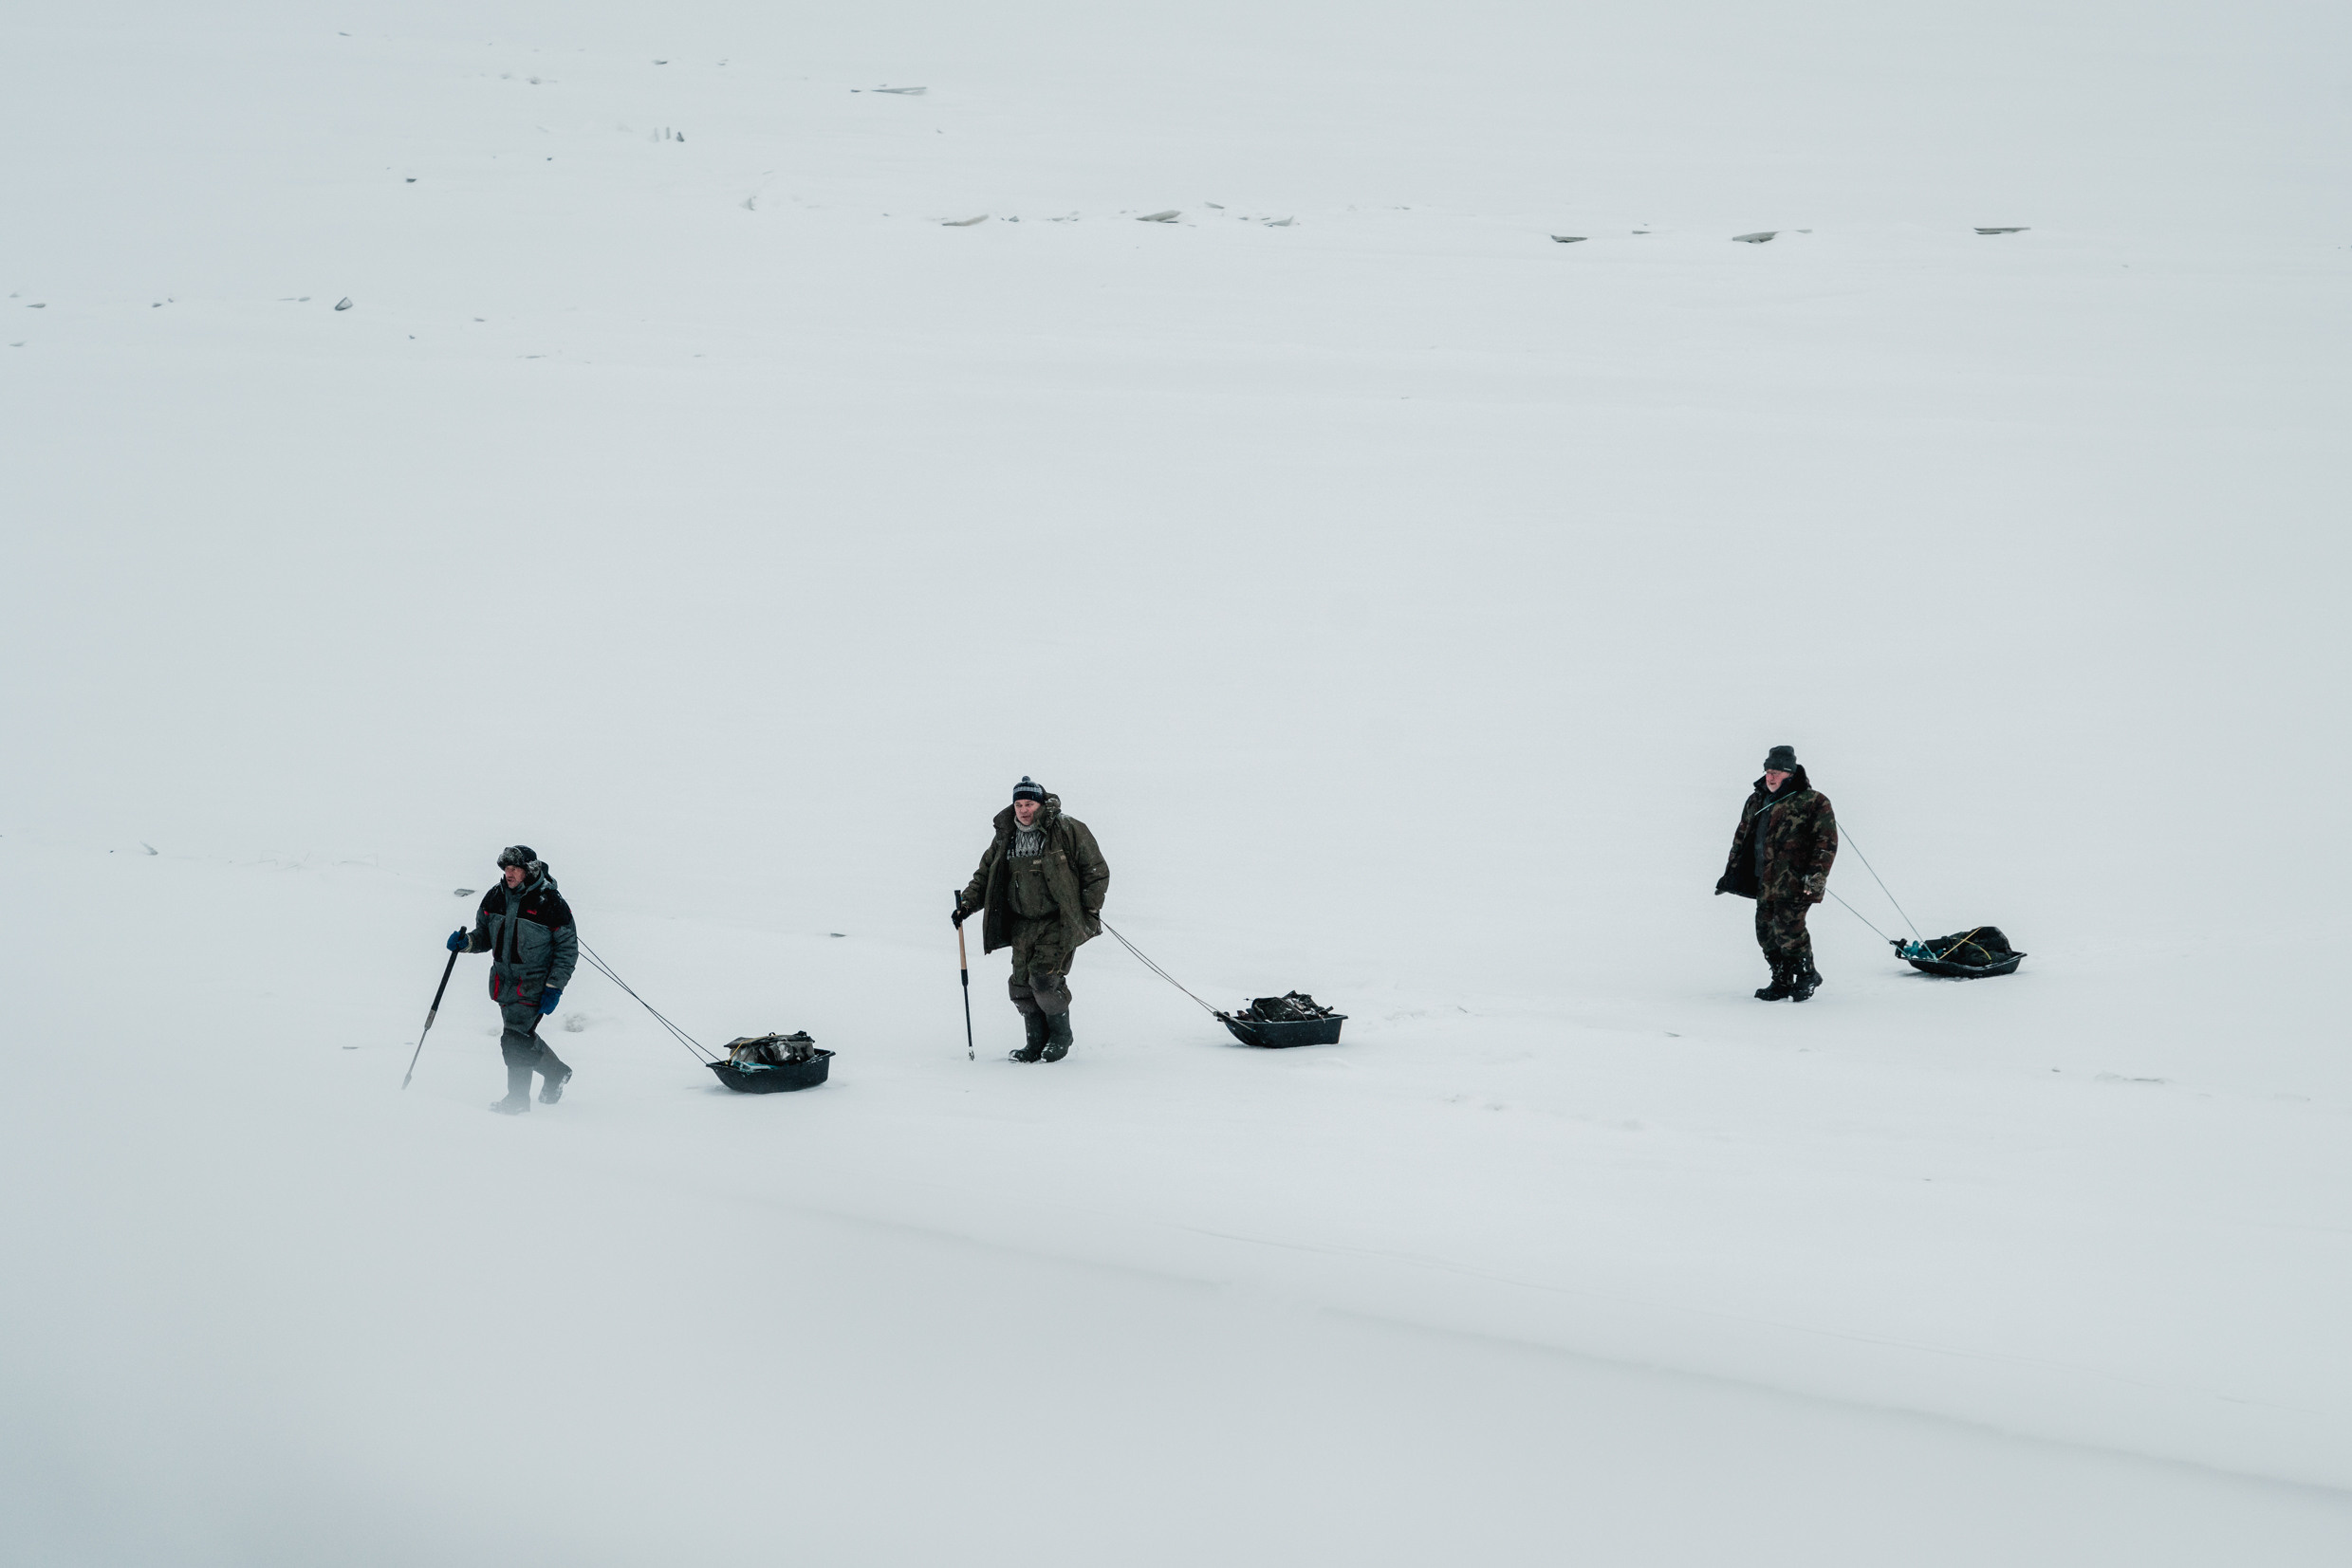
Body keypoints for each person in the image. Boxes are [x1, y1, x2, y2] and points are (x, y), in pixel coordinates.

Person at [954, 778, 1109, 1062]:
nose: (1024, 810)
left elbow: (1096, 871)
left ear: (1040, 803)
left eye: (1029, 804)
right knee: (1021, 985)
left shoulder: (1067, 828)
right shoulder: (1006, 836)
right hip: (1022, 923)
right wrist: (966, 905)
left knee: (1045, 980)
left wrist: (1088, 909)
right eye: (1019, 804)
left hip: (1057, 921)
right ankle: (1035, 1041)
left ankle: (1061, 1036)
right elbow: (986, 875)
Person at [445, 845, 579, 1112]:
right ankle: (556, 1072)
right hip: (503, 982)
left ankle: (517, 1100)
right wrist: (467, 943)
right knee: (521, 1036)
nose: (509, 873)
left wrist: (555, 987)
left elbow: (567, 950)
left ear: (529, 870)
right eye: (506, 868)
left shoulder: (551, 903)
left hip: (534, 983)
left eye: (515, 868)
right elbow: (484, 935)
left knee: (514, 1038)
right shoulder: (494, 897)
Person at [1715, 746, 1838, 1001]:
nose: (1770, 777)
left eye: (1776, 773)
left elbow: (1826, 842)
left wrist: (1816, 877)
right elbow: (1742, 838)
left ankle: (1807, 975)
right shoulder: (1757, 800)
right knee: (1765, 931)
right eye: (1768, 771)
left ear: (1790, 774)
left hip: (1796, 881)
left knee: (1789, 929)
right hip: (1764, 878)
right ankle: (1781, 979)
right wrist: (1732, 872)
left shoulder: (1813, 801)